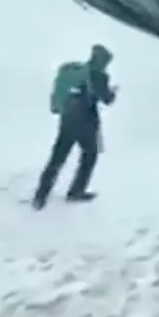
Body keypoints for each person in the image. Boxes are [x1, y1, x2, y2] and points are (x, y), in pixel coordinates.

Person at [32, 44, 118, 210]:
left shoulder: (76, 71)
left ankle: (40, 196)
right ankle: (76, 191)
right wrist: (113, 92)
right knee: (90, 155)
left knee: (57, 157)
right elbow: (107, 99)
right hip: (85, 121)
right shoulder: (99, 76)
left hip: (68, 118)